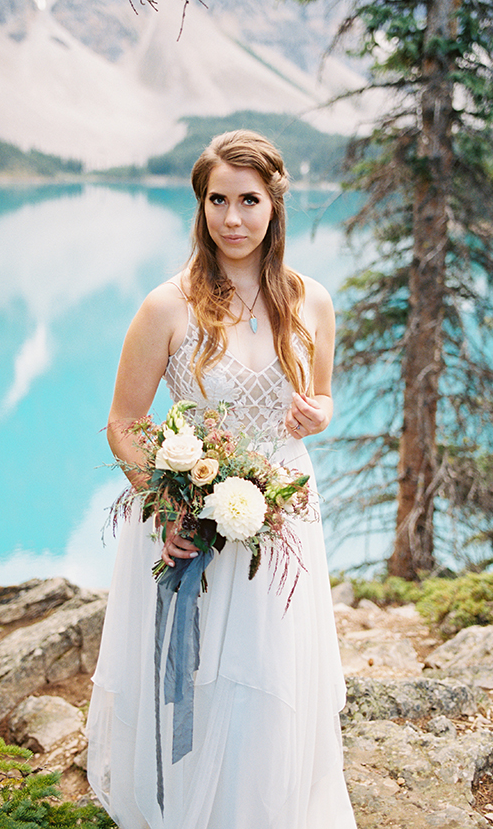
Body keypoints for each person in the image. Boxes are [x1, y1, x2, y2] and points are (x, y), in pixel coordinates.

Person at [86, 130, 357, 829]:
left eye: (249, 200)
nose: (232, 219)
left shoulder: (312, 302)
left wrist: (315, 413)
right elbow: (123, 421)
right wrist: (165, 506)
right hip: (192, 521)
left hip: (287, 519)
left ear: (275, 206)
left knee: (269, 673)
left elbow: (322, 399)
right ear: (200, 205)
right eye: (218, 200)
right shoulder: (166, 307)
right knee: (198, 678)